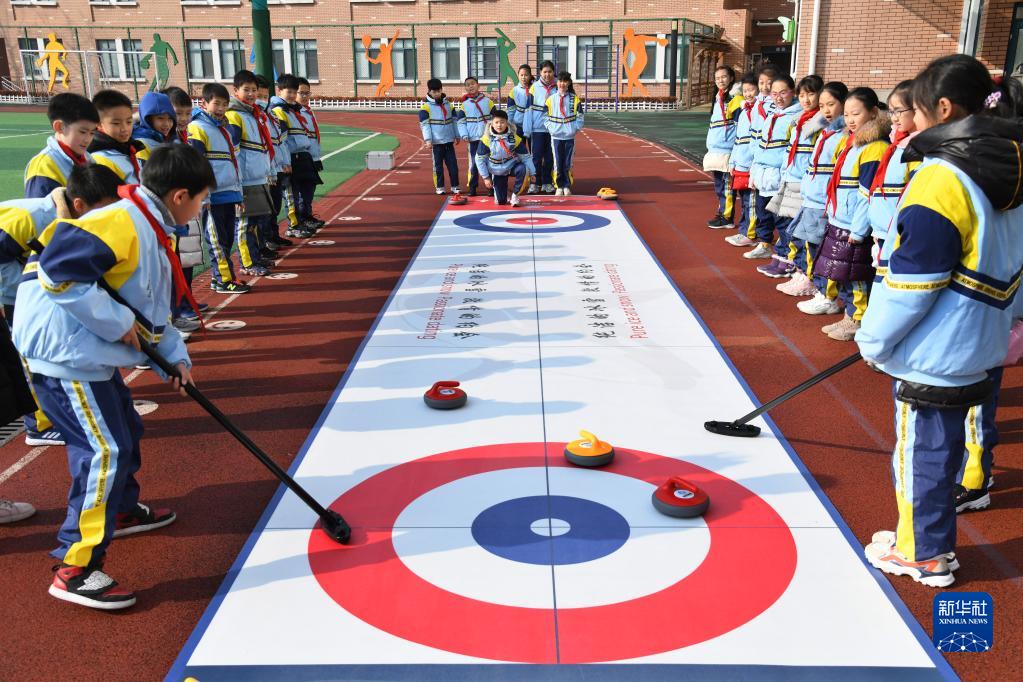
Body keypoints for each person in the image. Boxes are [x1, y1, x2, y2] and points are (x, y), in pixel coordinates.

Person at [12, 144, 212, 609]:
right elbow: (58, 273)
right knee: (106, 451)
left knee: (126, 428)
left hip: (87, 353)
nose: (201, 209)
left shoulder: (151, 225)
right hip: (67, 356)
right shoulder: (123, 220)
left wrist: (175, 358)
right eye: (202, 200)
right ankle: (75, 567)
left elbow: (149, 309)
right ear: (180, 196)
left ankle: (119, 511)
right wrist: (117, 323)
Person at [857, 55, 1023, 587]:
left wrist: (873, 340)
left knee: (922, 451)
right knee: (947, 445)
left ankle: (922, 552)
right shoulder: (1010, 170)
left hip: (935, 348)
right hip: (985, 334)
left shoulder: (941, 179)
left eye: (917, 108)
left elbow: (912, 284)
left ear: (943, 108)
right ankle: (929, 541)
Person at [2, 165, 124, 445]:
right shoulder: (32, 218)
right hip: (10, 291)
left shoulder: (71, 217)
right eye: (104, 210)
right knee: (25, 354)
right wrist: (27, 287)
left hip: (23, 283)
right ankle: (38, 425)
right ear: (80, 205)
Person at [808, 87, 889, 341]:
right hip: (841, 218)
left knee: (856, 276)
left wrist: (859, 229)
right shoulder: (853, 142)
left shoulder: (874, 147)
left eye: (857, 113)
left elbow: (867, 193)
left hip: (854, 223)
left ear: (873, 112)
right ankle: (849, 315)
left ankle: (857, 319)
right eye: (847, 114)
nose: (851, 119)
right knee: (843, 272)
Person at [779, 81, 848, 299]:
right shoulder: (825, 132)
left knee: (818, 246)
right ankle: (807, 277)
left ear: (844, 104)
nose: (826, 110)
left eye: (831, 104)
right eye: (822, 105)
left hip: (822, 200)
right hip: (811, 196)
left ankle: (819, 288)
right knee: (803, 240)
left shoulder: (842, 136)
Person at [761, 74, 824, 278]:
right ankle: (785, 258)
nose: (806, 99)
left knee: (795, 226)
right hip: (789, 177)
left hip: (802, 181)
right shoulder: (799, 120)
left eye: (811, 94)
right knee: (784, 221)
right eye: (802, 95)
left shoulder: (820, 123)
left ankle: (793, 265)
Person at [189, 82, 248, 294]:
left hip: (229, 193)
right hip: (212, 197)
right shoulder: (197, 128)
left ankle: (219, 277)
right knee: (216, 240)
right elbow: (197, 164)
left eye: (225, 104)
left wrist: (238, 193)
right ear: (204, 103)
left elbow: (234, 162)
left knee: (227, 239)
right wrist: (204, 196)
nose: (221, 108)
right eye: (217, 104)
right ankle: (224, 279)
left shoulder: (226, 129)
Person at [746, 74, 803, 260]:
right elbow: (761, 145)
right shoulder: (772, 115)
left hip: (779, 176)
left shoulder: (796, 117)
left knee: (782, 218)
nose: (778, 98)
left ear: (792, 92)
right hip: (763, 175)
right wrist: (754, 172)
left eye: (783, 93)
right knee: (763, 214)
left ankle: (786, 255)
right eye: (774, 93)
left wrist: (784, 175)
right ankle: (765, 244)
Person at [226, 70, 277, 278]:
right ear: (235, 90)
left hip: (258, 177)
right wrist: (236, 182)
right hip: (245, 180)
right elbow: (234, 152)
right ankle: (247, 263)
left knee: (256, 223)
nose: (251, 94)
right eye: (246, 90)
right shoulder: (234, 116)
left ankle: (255, 257)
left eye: (254, 90)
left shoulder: (255, 114)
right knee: (245, 224)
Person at [272, 74, 320, 234]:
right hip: (292, 158)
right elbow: (283, 140)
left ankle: (302, 220)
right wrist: (285, 162)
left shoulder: (293, 110)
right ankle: (294, 225)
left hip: (303, 156)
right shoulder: (279, 111)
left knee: (305, 190)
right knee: (291, 195)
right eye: (290, 92)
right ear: (279, 91)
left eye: (294, 92)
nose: (292, 95)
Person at [24, 93, 97, 199]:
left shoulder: (88, 158)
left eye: (92, 133)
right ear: (59, 127)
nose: (88, 139)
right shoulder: (44, 166)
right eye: (82, 132)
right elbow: (40, 208)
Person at [255, 74, 294, 251]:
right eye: (259, 96)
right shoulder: (254, 117)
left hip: (277, 167)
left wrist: (285, 162)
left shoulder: (270, 115)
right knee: (264, 209)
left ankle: (273, 235)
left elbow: (281, 141)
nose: (262, 100)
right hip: (264, 171)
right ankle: (264, 241)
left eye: (265, 96)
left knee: (274, 205)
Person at [704, 65, 743, 228]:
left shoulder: (736, 99)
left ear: (731, 78)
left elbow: (739, 125)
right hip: (717, 149)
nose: (720, 80)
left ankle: (726, 217)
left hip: (727, 149)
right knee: (720, 185)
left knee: (727, 186)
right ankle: (723, 213)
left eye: (724, 77)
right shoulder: (718, 97)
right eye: (717, 78)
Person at [725, 73, 761, 248]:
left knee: (751, 202)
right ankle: (744, 230)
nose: (748, 94)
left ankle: (750, 234)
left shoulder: (759, 111)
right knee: (744, 200)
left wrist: (754, 163)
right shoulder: (744, 111)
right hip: (740, 163)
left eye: (751, 90)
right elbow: (738, 139)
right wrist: (733, 161)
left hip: (750, 164)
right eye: (745, 91)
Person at [88, 90, 151, 185]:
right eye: (116, 123)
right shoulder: (99, 160)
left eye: (129, 122)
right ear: (98, 124)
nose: (124, 128)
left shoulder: (131, 148)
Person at [475, 109, 535, 207]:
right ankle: (503, 191)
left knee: (523, 169)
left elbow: (525, 157)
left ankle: (515, 195)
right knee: (501, 202)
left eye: (502, 122)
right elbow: (479, 159)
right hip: (496, 170)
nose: (499, 125)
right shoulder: (486, 139)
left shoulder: (514, 138)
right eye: (496, 122)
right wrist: (486, 177)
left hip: (511, 166)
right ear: (492, 123)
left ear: (507, 123)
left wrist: (532, 172)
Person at [544, 71, 584, 197]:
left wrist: (574, 129)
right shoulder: (550, 99)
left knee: (568, 162)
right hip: (555, 136)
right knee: (557, 162)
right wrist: (551, 128)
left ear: (569, 83)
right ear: (557, 82)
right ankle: (558, 186)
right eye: (560, 81)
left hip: (569, 136)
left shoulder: (574, 99)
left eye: (565, 81)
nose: (562, 84)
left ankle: (566, 185)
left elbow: (580, 116)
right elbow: (545, 116)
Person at [418, 77, 460, 195]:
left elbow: (454, 121)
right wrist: (428, 140)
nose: (436, 93)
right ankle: (440, 187)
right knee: (438, 167)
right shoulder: (425, 107)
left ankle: (455, 186)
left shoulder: (449, 105)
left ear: (441, 90)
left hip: (449, 141)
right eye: (434, 91)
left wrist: (457, 135)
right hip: (436, 143)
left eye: (438, 91)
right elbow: (425, 125)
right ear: (429, 91)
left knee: (453, 165)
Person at [455, 76, 494, 196]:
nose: (470, 86)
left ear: (478, 86)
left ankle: (491, 187)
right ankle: (472, 187)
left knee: (489, 162)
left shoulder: (488, 102)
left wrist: (493, 133)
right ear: (465, 88)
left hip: (486, 138)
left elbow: (495, 119)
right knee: (474, 163)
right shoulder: (464, 105)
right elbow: (461, 122)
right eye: (467, 85)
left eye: (472, 84)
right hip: (473, 139)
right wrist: (464, 134)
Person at [524, 60, 558, 193]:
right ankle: (535, 183)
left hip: (552, 129)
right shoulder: (534, 88)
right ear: (540, 73)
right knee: (536, 158)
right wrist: (527, 129)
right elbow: (528, 110)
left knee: (550, 157)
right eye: (545, 72)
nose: (547, 74)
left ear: (553, 72)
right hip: (537, 129)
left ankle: (547, 182)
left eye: (550, 72)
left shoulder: (557, 87)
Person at [296, 77, 326, 229]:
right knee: (303, 191)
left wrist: (316, 157)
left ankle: (307, 215)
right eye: (301, 93)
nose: (305, 96)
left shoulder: (308, 110)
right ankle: (302, 219)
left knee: (309, 189)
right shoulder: (295, 112)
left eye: (307, 93)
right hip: (302, 157)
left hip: (312, 156)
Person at [507, 64, 533, 136]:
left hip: (532, 123)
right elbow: (511, 110)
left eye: (526, 75)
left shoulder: (535, 88)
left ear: (530, 76)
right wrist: (509, 124)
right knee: (520, 143)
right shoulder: (514, 91)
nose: (523, 77)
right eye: (521, 75)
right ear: (518, 75)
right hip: (518, 123)